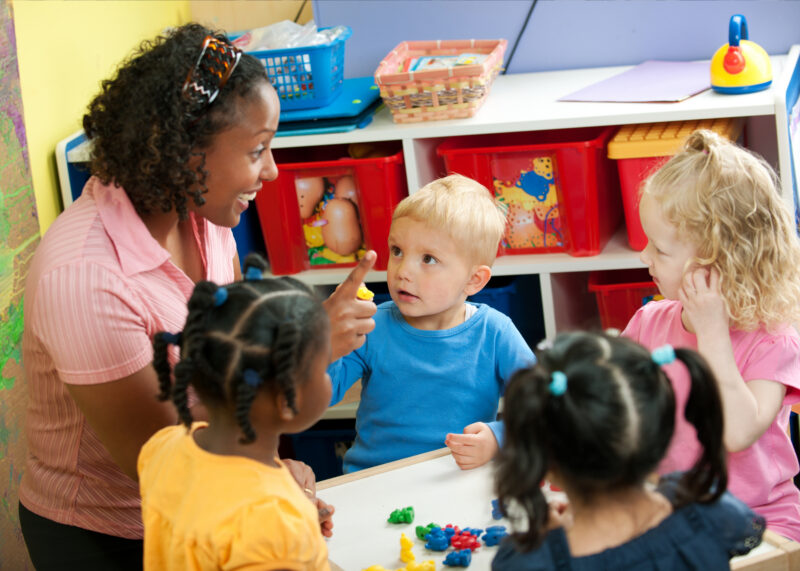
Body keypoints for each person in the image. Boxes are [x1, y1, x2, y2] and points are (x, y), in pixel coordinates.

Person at [18, 23, 376, 569]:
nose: (274, 171)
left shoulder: (205, 217)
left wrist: (273, 482)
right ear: (185, 153)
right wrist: (307, 352)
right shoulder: (85, 279)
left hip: (206, 505)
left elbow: (224, 375)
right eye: (258, 149)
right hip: (111, 534)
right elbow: (169, 457)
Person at [622, 129, 800, 541]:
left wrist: (713, 333)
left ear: (718, 266)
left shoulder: (773, 341)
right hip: (673, 511)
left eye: (660, 250)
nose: (644, 256)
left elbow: (737, 433)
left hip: (761, 520)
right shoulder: (649, 322)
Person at [492, 331, 765, 570]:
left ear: (545, 465)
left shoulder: (529, 562)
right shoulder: (708, 512)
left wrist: (549, 543)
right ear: (660, 434)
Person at [327, 174, 535, 473]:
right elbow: (323, 394)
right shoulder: (372, 325)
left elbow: (542, 407)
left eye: (428, 259)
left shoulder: (495, 332)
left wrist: (498, 438)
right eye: (397, 251)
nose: (403, 271)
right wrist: (328, 340)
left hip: (456, 478)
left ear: (474, 280)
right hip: (375, 479)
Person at [139, 254, 333, 570]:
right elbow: (257, 531)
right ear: (286, 399)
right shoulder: (272, 524)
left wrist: (297, 516)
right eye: (325, 366)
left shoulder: (164, 445)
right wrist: (292, 535)